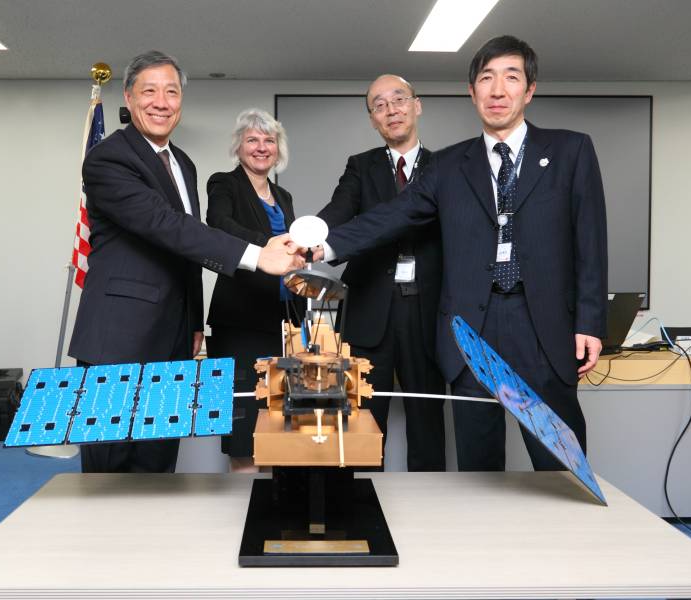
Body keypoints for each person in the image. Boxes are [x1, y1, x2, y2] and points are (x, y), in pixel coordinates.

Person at [319, 35, 607, 472]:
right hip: (472, 330)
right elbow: (392, 216)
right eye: (486, 79)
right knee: (478, 466)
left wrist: (589, 320)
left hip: (543, 329)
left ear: (529, 90)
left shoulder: (570, 151)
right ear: (471, 93)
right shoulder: (448, 166)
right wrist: (320, 246)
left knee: (560, 466)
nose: (497, 90)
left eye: (511, 77)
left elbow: (590, 241)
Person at [68, 51, 303, 474]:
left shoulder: (184, 164)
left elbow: (186, 249)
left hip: (172, 338)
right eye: (150, 91)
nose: (161, 102)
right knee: (109, 477)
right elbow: (164, 225)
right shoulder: (107, 158)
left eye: (171, 92)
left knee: (159, 468)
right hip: (116, 342)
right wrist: (256, 254)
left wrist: (193, 321)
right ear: (128, 96)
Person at [316, 75, 446, 471]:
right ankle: (364, 510)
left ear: (416, 105)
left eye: (399, 100)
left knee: (428, 421)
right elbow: (337, 214)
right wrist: (308, 235)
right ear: (372, 119)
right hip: (372, 310)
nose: (391, 110)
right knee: (365, 423)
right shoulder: (360, 167)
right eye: (379, 105)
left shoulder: (448, 167)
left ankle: (429, 514)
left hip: (428, 311)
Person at [205, 109, 299, 472]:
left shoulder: (284, 195)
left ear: (279, 149)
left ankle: (269, 508)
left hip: (284, 323)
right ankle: (244, 510)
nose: (262, 147)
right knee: (244, 426)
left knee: (279, 424)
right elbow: (219, 225)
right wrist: (270, 247)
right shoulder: (223, 184)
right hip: (241, 323)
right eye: (253, 140)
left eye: (269, 140)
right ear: (239, 147)